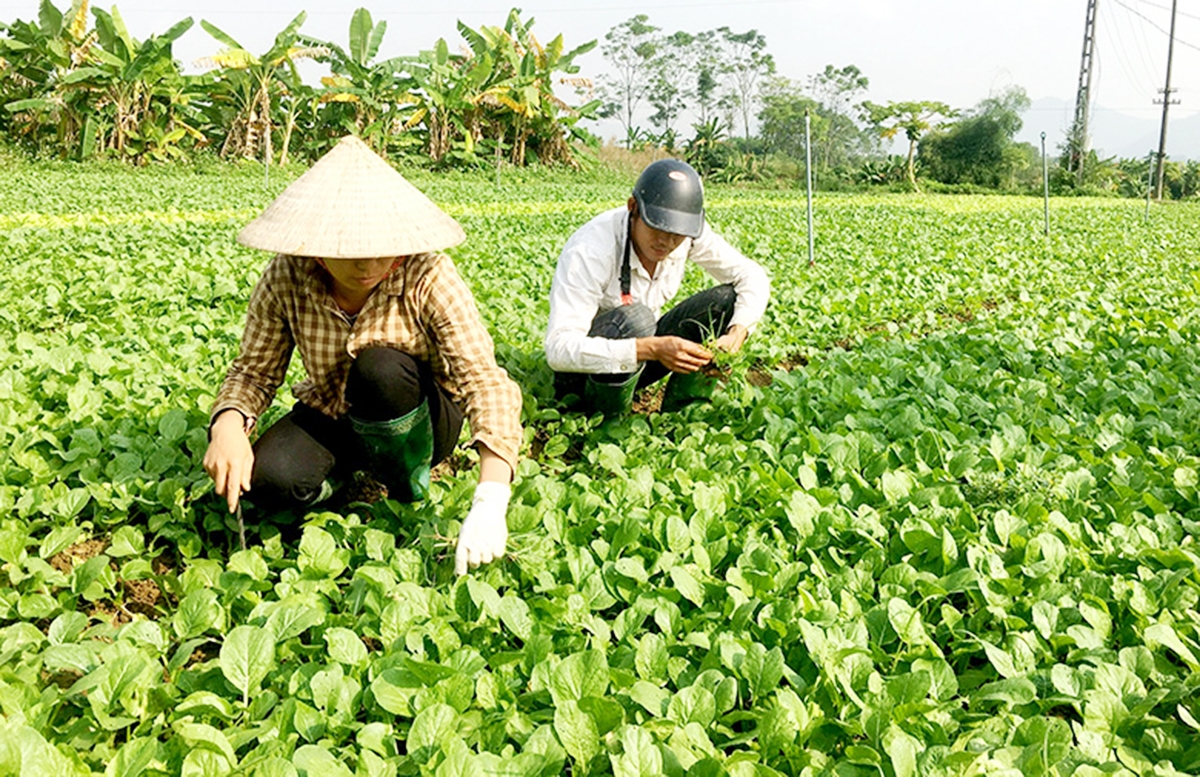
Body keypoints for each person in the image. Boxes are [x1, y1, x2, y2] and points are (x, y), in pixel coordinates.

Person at [202, 135, 521, 576]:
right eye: (349, 252)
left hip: (421, 413)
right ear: (315, 247)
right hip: (337, 409)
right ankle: (354, 475)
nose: (368, 265)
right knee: (269, 481)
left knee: (380, 368)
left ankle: (406, 484)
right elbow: (254, 372)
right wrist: (228, 425)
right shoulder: (286, 276)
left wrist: (491, 498)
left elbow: (483, 380)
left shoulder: (428, 275)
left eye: (380, 248)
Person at [544, 158, 770, 415]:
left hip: (638, 361)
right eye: (656, 227)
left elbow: (752, 275)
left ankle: (685, 413)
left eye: (678, 233)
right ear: (633, 209)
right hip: (582, 377)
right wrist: (652, 348)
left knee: (725, 301)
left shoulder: (686, 234)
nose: (667, 241)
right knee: (637, 319)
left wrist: (736, 334)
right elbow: (559, 349)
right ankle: (608, 420)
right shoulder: (591, 249)